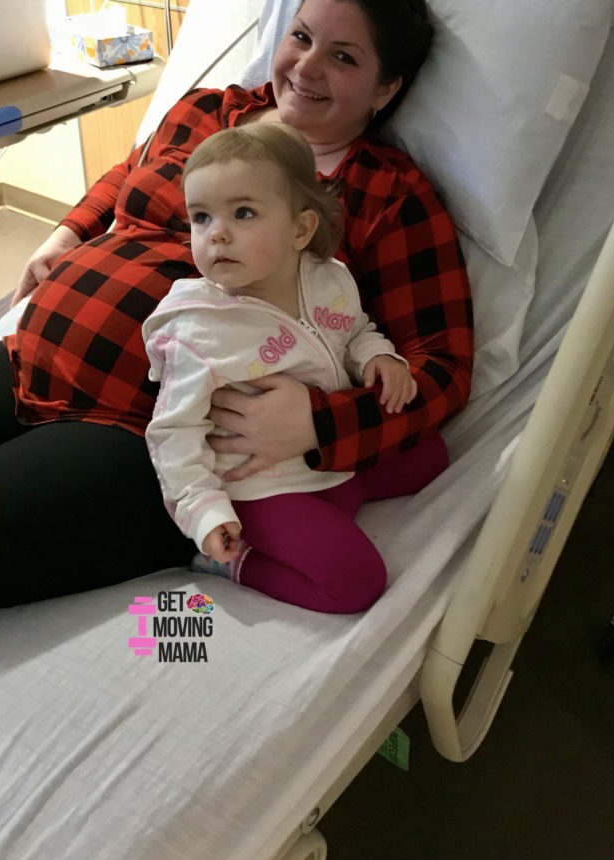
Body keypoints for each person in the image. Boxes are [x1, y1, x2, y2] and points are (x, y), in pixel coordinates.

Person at [0, 0, 473, 693]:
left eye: (344, 57)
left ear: (386, 90)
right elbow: (128, 176)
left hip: (140, 437)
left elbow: (442, 368)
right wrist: (71, 232)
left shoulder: (388, 195)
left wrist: (321, 423)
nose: (306, 66)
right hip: (32, 355)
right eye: (301, 36)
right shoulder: (210, 111)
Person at [143, 122, 449, 613]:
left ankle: (353, 491)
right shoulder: (198, 330)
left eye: (243, 213)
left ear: (301, 229)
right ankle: (236, 565)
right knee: (356, 584)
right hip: (264, 490)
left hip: (335, 461)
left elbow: (353, 330)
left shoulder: (329, 279)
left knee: (432, 453)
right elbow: (172, 434)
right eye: (200, 218)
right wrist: (204, 512)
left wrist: (379, 356)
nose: (216, 233)